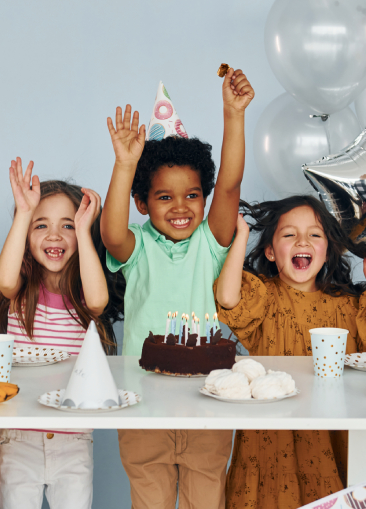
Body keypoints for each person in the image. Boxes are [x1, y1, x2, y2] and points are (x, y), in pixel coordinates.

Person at [101, 69, 254, 509]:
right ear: (142, 203)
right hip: (142, 399)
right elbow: (111, 235)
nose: (181, 206)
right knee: (149, 501)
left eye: (192, 195)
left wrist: (233, 115)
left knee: (205, 499)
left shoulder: (211, 241)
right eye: (164, 197)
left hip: (209, 398)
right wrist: (125, 164)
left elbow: (230, 183)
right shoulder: (139, 246)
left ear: (204, 199)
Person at [214, 198, 366, 509]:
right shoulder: (264, 297)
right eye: (288, 235)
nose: (302, 241)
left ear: (328, 250)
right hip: (269, 439)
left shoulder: (349, 305)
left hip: (329, 437)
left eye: (315, 234)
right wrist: (240, 235)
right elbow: (229, 298)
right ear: (270, 251)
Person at [0, 159, 119, 509]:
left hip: (73, 437)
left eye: (68, 226)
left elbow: (99, 300)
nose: (54, 236)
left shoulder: (85, 296)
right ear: (26, 235)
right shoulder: (20, 292)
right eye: (40, 225)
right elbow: (5, 279)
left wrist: (87, 232)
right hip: (19, 435)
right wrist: (24, 212)